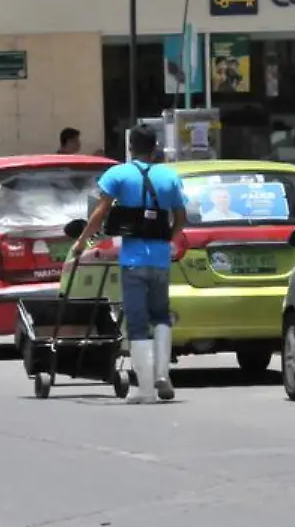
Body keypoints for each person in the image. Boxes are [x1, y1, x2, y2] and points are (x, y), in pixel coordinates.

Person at [70, 123, 187, 404]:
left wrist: (81, 242)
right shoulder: (169, 177)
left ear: (130, 147)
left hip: (133, 260)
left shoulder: (118, 174)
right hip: (160, 259)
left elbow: (100, 212)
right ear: (155, 148)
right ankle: (163, 375)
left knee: (136, 323)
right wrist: (168, 240)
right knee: (160, 314)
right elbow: (181, 218)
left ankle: (145, 389)